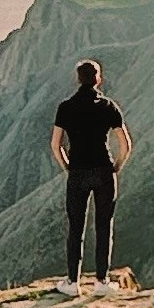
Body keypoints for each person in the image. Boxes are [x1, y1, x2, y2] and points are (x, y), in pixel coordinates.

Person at [50, 57, 131, 288]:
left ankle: (72, 283)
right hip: (104, 170)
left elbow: (56, 145)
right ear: (99, 79)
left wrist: (67, 165)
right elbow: (125, 145)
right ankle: (102, 282)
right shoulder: (109, 106)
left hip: (77, 172)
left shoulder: (65, 107)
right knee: (104, 226)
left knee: (76, 227)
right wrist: (117, 166)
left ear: (78, 79)